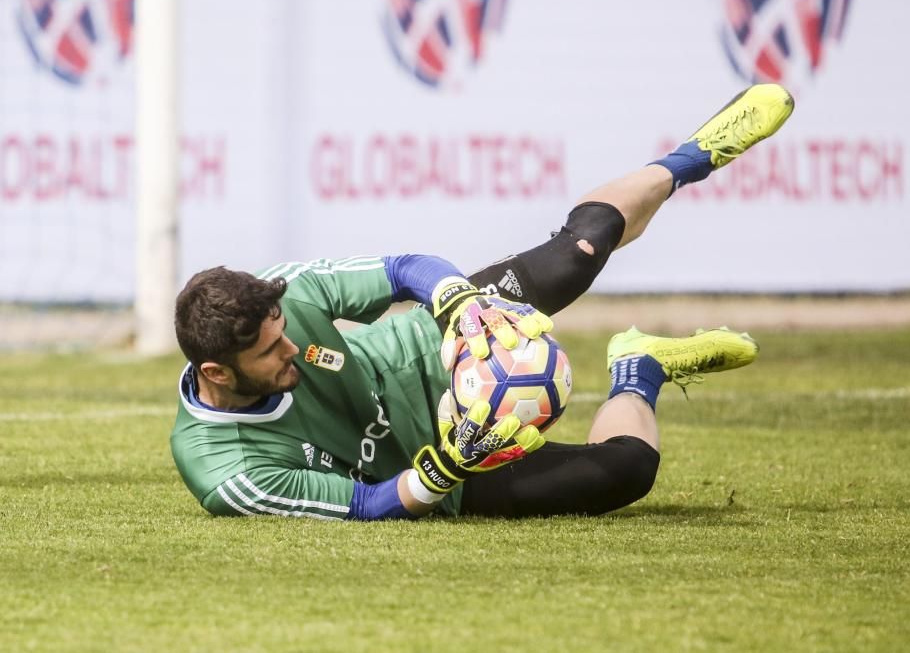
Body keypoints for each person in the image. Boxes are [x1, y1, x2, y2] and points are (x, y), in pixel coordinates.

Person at [170, 83, 794, 520]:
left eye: (284, 332)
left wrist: (462, 310)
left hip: (424, 349)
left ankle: (691, 158)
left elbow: (403, 269)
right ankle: (639, 368)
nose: (292, 350)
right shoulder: (226, 470)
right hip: (442, 470)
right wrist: (449, 462)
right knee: (627, 473)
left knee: (576, 252)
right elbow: (365, 506)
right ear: (218, 372)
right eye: (271, 351)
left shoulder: (289, 289)